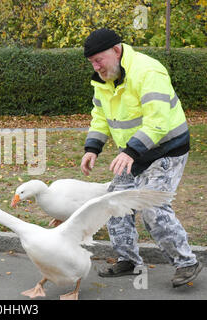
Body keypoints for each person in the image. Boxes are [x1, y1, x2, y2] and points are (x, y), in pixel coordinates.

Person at [80, 28, 203, 287]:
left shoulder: (148, 71)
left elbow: (158, 122)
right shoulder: (103, 80)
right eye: (91, 62)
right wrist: (92, 148)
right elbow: (100, 117)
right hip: (134, 153)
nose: (96, 67)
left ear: (116, 50)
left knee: (152, 206)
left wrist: (130, 151)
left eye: (99, 59)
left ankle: (186, 262)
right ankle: (129, 261)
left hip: (166, 150)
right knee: (113, 202)